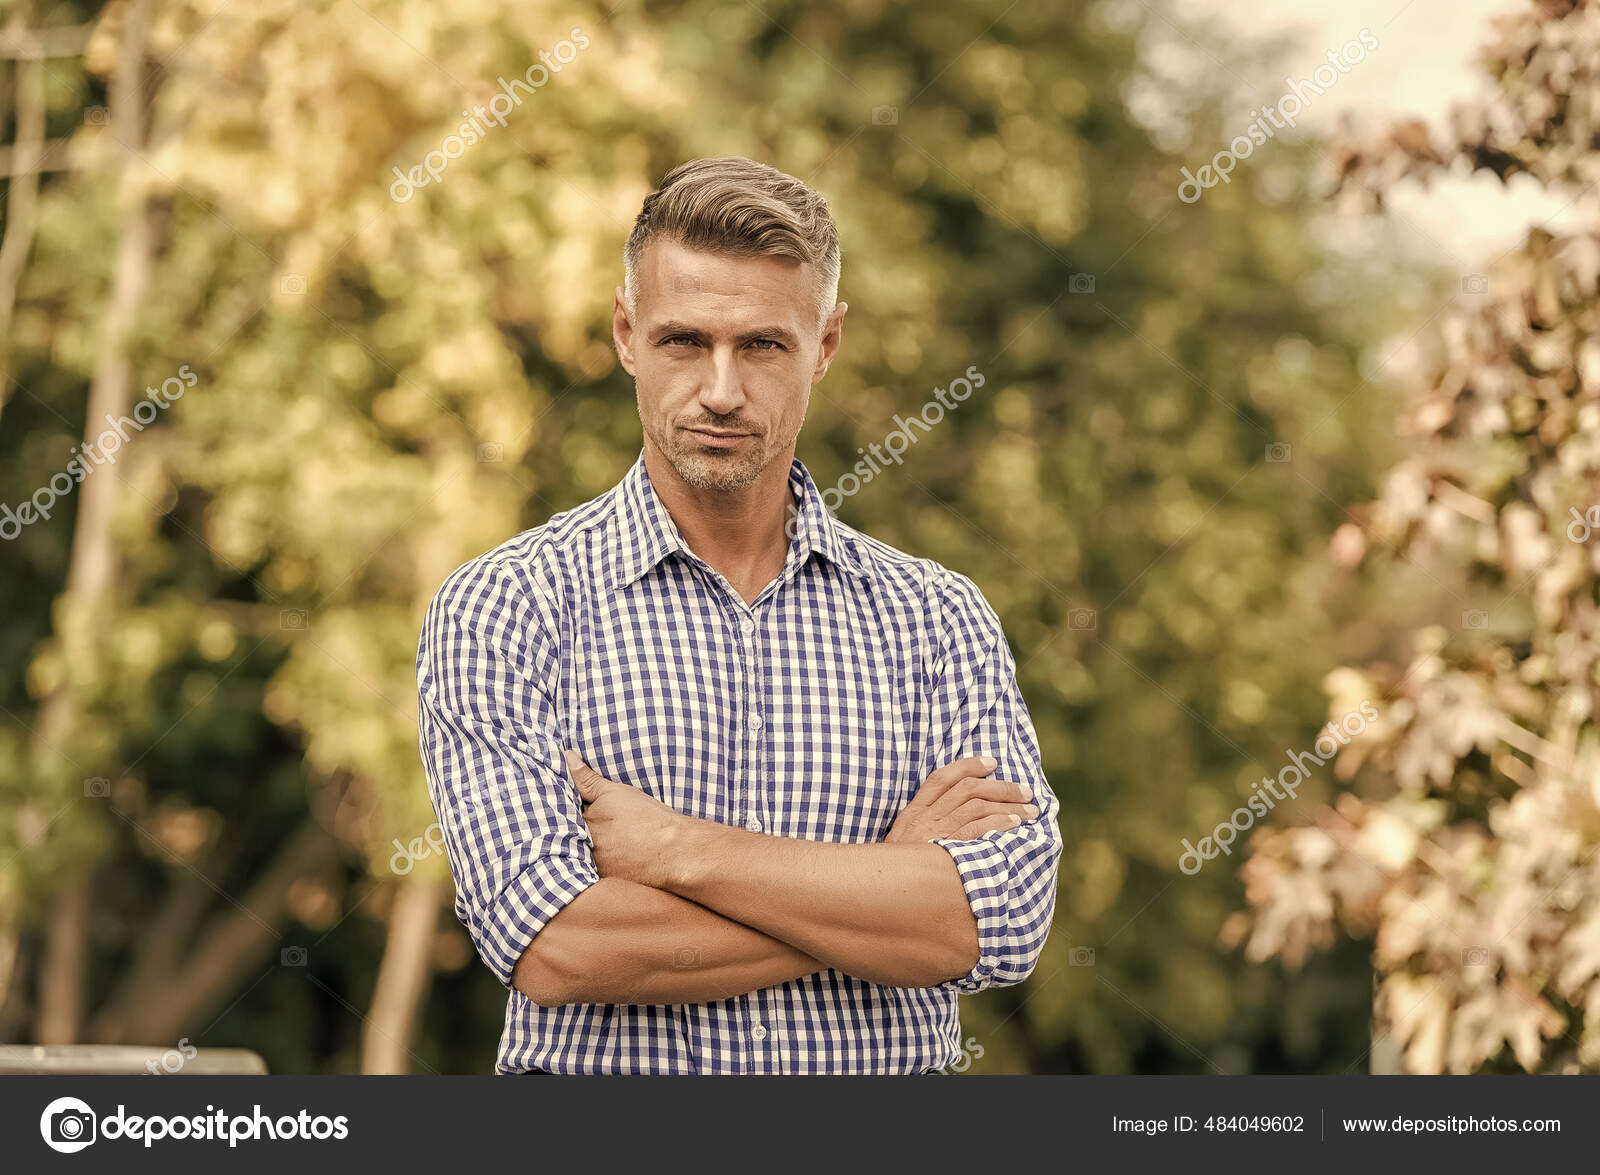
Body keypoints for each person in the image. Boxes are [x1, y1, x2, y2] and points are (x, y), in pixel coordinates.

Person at [416, 156, 1062, 1074]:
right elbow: (557, 947)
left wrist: (676, 851)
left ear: (826, 345)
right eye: (686, 341)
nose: (722, 390)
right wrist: (883, 881)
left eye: (763, 345)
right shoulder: (506, 607)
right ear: (626, 332)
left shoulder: (938, 620)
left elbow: (998, 920)